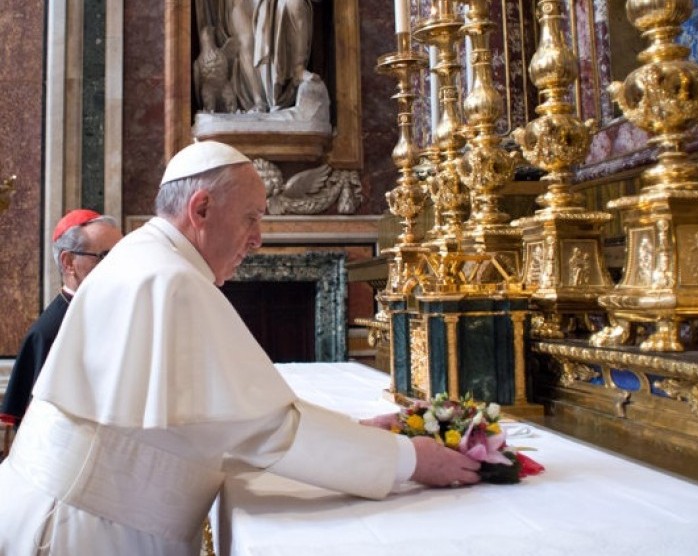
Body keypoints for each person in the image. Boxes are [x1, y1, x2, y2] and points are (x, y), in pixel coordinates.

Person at [0, 141, 480, 555]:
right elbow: (266, 430)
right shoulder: (168, 279)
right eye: (251, 217)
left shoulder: (147, 259)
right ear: (201, 209)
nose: (258, 238)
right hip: (80, 532)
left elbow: (211, 421)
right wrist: (410, 460)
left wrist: (358, 433)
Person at [0, 210, 122, 427]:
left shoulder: (115, 312)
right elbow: (39, 429)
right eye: (105, 256)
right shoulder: (48, 333)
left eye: (121, 254)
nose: (117, 265)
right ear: (68, 262)